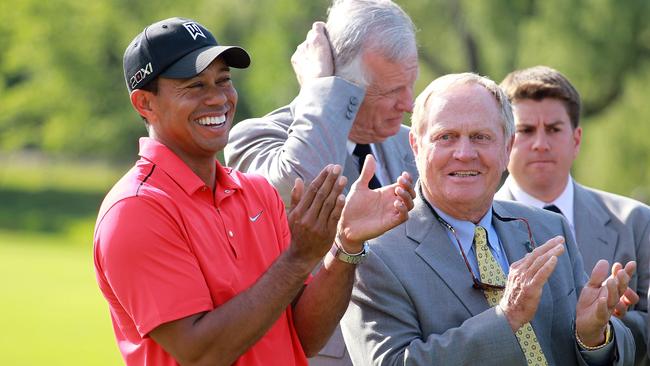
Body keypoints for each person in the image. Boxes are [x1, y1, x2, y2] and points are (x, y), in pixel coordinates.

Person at [93, 17, 414, 366]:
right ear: (145, 104)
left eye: (223, 81)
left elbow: (306, 336)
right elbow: (202, 354)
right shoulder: (136, 210)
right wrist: (298, 258)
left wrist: (345, 246)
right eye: (194, 86)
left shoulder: (257, 192)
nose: (218, 98)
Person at [341, 73, 637, 365]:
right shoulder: (376, 254)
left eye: (481, 137)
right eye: (446, 137)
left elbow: (602, 350)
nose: (465, 153)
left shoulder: (548, 229)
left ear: (507, 148)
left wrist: (593, 336)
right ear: (416, 145)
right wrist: (505, 319)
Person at [225, 1, 418, 364]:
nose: (408, 103)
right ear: (343, 86)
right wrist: (319, 88)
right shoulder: (255, 138)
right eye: (392, 91)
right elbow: (301, 185)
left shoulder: (411, 144)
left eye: (410, 84)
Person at [496, 65, 649, 365]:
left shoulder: (637, 222)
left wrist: (610, 326)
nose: (541, 143)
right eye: (526, 130)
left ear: (576, 140)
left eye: (553, 129)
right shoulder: (474, 229)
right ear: (506, 141)